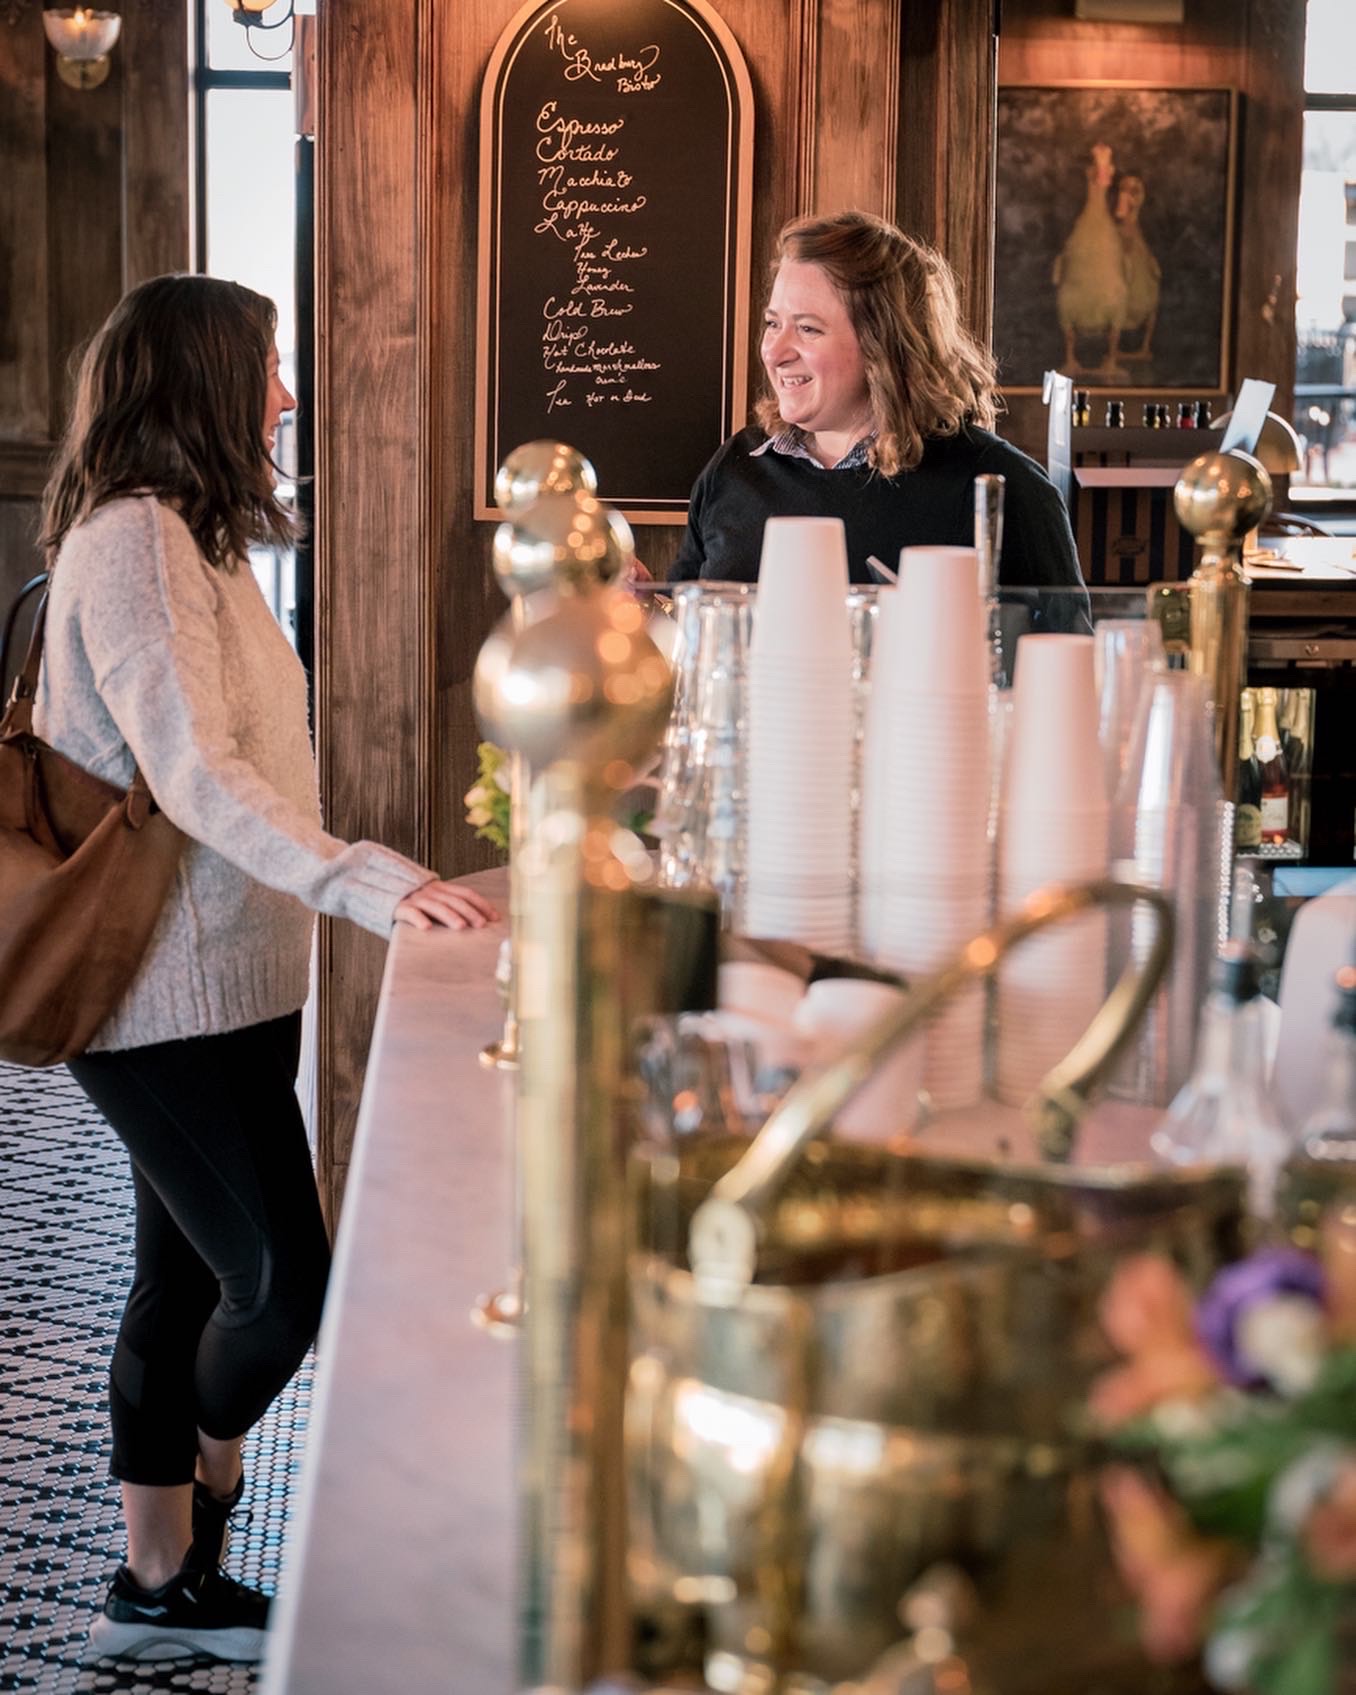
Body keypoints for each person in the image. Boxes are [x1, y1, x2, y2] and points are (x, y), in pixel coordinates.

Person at [32, 274, 497, 1663]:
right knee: (283, 1289)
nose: (286, 396)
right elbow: (196, 773)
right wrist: (368, 880)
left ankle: (156, 1579)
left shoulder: (201, 537)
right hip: (152, 994)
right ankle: (193, 1489)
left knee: (183, 1282)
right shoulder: (133, 541)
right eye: (269, 368)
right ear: (202, 384)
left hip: (231, 978)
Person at [669, 211, 1090, 631]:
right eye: (772, 323)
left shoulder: (1000, 485)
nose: (774, 352)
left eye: (808, 329)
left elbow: (1065, 658)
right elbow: (681, 632)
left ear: (883, 346)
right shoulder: (737, 465)